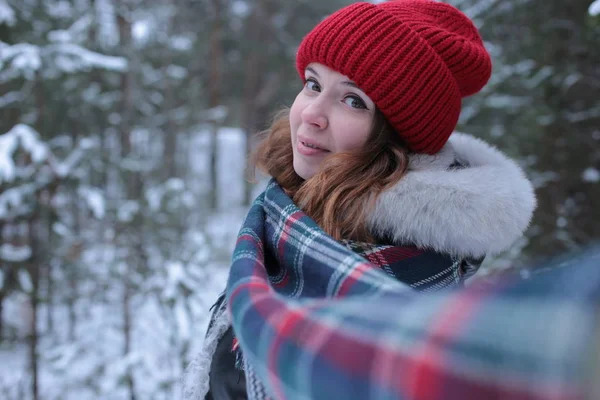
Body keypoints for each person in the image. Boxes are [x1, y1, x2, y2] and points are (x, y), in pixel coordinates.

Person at [182, 1, 536, 399]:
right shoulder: (285, 216)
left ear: (395, 140)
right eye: (313, 84)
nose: (312, 113)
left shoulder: (404, 294)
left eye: (353, 100)